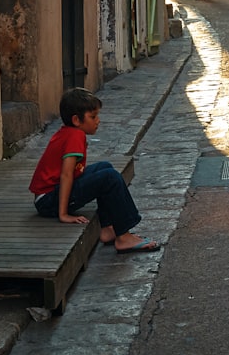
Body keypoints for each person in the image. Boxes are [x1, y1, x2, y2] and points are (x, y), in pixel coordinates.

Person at [29, 88, 161, 253]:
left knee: (105, 167)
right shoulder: (74, 136)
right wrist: (63, 214)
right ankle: (124, 236)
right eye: (93, 117)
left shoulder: (70, 132)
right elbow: (66, 174)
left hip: (49, 197)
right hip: (48, 201)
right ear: (76, 120)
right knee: (110, 177)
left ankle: (108, 228)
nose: (98, 121)